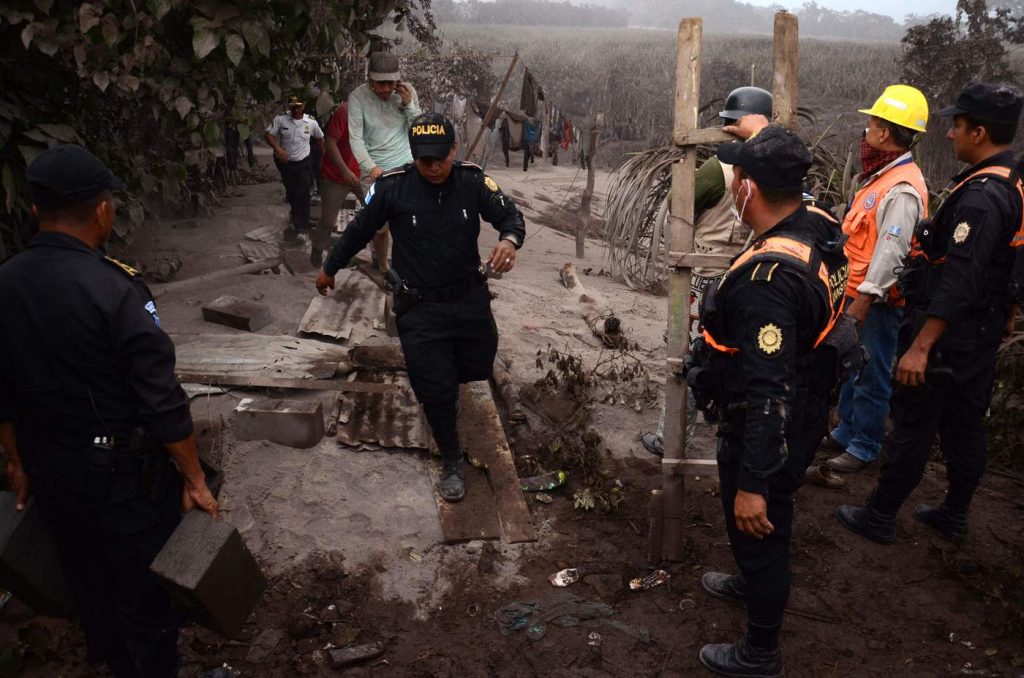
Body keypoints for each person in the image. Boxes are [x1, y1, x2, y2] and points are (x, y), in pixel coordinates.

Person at [0, 145, 218, 677]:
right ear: (102, 211)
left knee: (90, 587)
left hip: (51, 471)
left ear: (35, 209)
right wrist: (194, 478)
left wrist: (16, 462)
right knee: (146, 600)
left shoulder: (6, 282)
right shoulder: (115, 288)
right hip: (121, 482)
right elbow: (160, 397)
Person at [689, 126, 848, 677]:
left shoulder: (768, 282)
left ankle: (761, 650)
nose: (734, 184)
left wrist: (754, 483)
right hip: (809, 402)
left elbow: (766, 392)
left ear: (748, 189)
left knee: (759, 522)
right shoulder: (818, 224)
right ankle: (749, 581)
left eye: (738, 176)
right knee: (762, 528)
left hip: (770, 422)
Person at [836, 83, 1024, 544]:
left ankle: (879, 515)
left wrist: (921, 347)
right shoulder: (1011, 183)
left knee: (914, 424)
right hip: (978, 329)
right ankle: (953, 514)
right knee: (964, 425)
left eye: (957, 126)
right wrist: (1008, 312)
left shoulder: (980, 198)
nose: (949, 134)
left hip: (948, 335)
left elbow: (959, 277)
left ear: (979, 133)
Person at [315, 113, 525, 502]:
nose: (432, 167)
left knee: (478, 364)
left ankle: (448, 393)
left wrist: (509, 240)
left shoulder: (472, 181)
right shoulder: (392, 187)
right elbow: (359, 230)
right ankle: (451, 458)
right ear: (412, 155)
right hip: (419, 306)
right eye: (423, 159)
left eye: (440, 158)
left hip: (468, 299)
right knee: (435, 385)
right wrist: (330, 268)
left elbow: (510, 215)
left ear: (454, 150)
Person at [640, 86, 774, 457]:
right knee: (733, 354)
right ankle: (727, 439)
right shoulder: (774, 170)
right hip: (747, 273)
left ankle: (671, 437)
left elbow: (678, 202)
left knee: (684, 353)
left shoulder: (719, 168)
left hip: (701, 276)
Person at [823, 85, 930, 474]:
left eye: (871, 123)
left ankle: (865, 445)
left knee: (871, 370)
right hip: (856, 294)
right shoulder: (883, 177)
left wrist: (866, 299)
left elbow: (891, 251)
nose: (865, 130)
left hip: (877, 301)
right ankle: (846, 431)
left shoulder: (901, 188)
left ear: (884, 132)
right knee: (854, 366)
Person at [348, 51, 421, 271]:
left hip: (405, 169)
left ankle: (407, 267)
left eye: (391, 83)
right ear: (370, 79)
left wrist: (409, 105)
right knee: (379, 227)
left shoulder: (407, 92)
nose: (387, 89)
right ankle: (382, 266)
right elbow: (355, 138)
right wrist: (370, 168)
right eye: (381, 84)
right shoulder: (357, 97)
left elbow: (418, 130)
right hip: (374, 172)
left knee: (408, 223)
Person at [264, 95, 325, 243]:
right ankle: (295, 216)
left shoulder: (311, 122)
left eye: (298, 107)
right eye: (293, 107)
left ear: (303, 106)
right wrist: (278, 148)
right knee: (291, 193)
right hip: (285, 164)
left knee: (302, 193)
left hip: (303, 163)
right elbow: (268, 135)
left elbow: (320, 138)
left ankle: (302, 229)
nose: (295, 110)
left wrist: (323, 157)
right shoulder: (281, 119)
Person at [311, 100, 362, 267]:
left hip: (363, 174)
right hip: (335, 175)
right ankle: (318, 247)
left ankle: (378, 257)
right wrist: (345, 170)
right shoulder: (345, 111)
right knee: (328, 220)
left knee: (378, 215)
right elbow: (330, 142)